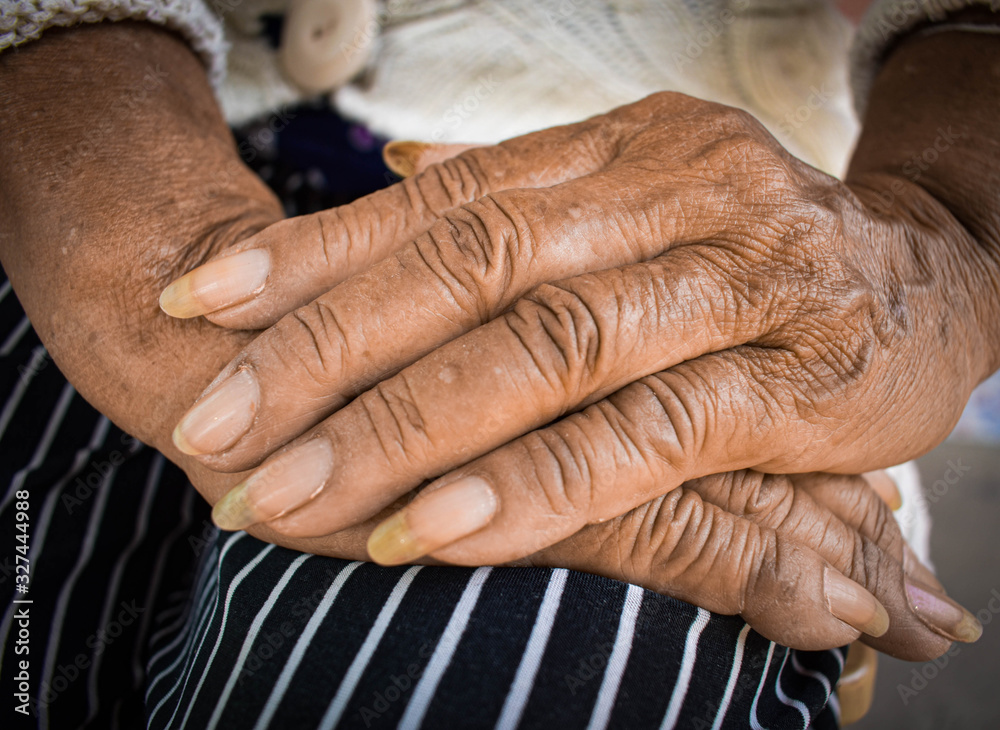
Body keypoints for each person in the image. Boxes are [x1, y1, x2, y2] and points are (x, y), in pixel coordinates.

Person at [0, 0, 995, 727]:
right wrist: (68, 89)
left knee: (486, 652)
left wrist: (948, 232)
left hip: (670, 249)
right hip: (94, 166)